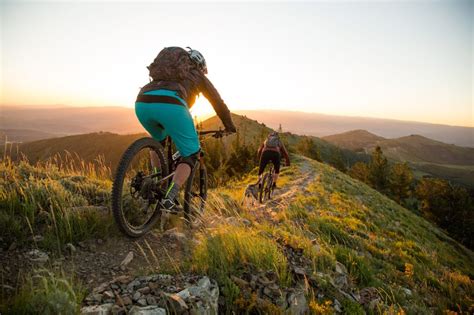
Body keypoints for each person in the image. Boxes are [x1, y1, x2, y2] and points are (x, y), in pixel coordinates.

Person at [135, 47, 236, 212]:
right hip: (172, 105)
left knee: (158, 141)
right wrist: (229, 126)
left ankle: (155, 178)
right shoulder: (197, 75)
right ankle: (170, 196)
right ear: (200, 66)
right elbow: (217, 102)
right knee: (191, 154)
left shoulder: (167, 70)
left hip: (142, 101)